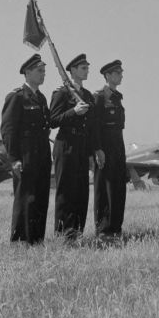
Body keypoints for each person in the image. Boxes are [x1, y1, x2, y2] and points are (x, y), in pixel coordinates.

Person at [50, 53, 103, 241]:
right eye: (83, 68)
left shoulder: (88, 95)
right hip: (66, 145)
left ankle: (77, 232)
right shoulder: (62, 93)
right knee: (66, 191)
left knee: (81, 191)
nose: (87, 70)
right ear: (72, 71)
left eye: (87, 67)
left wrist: (97, 148)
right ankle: (64, 233)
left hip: (82, 147)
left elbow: (93, 126)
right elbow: (53, 120)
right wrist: (73, 111)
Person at [0, 54, 52, 244]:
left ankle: (37, 239)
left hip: (42, 155)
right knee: (25, 198)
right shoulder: (17, 97)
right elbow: (8, 130)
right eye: (39, 71)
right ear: (27, 72)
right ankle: (21, 240)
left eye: (44, 71)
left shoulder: (41, 98)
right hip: (26, 155)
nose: (43, 74)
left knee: (40, 197)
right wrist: (14, 158)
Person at [93, 59, 127, 241]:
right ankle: (103, 230)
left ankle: (116, 228)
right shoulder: (99, 96)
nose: (121, 75)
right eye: (118, 73)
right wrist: (98, 149)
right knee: (104, 188)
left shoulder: (117, 97)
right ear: (108, 75)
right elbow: (95, 126)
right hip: (105, 146)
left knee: (118, 187)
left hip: (118, 145)